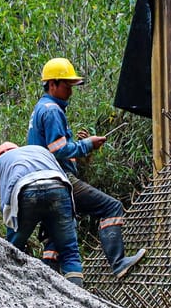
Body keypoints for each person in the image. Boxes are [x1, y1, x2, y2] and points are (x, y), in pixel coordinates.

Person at [27, 57, 145, 279]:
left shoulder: (40, 108)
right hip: (58, 178)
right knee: (111, 207)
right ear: (52, 84)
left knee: (55, 233)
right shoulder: (52, 110)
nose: (70, 92)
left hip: (38, 180)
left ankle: (46, 278)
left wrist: (82, 148)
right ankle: (118, 263)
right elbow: (59, 149)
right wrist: (87, 144)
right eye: (66, 86)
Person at [0, 142, 84, 286]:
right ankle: (79, 300)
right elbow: (63, 178)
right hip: (59, 186)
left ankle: (13, 291)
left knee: (12, 252)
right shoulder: (40, 150)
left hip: (24, 191)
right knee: (70, 253)